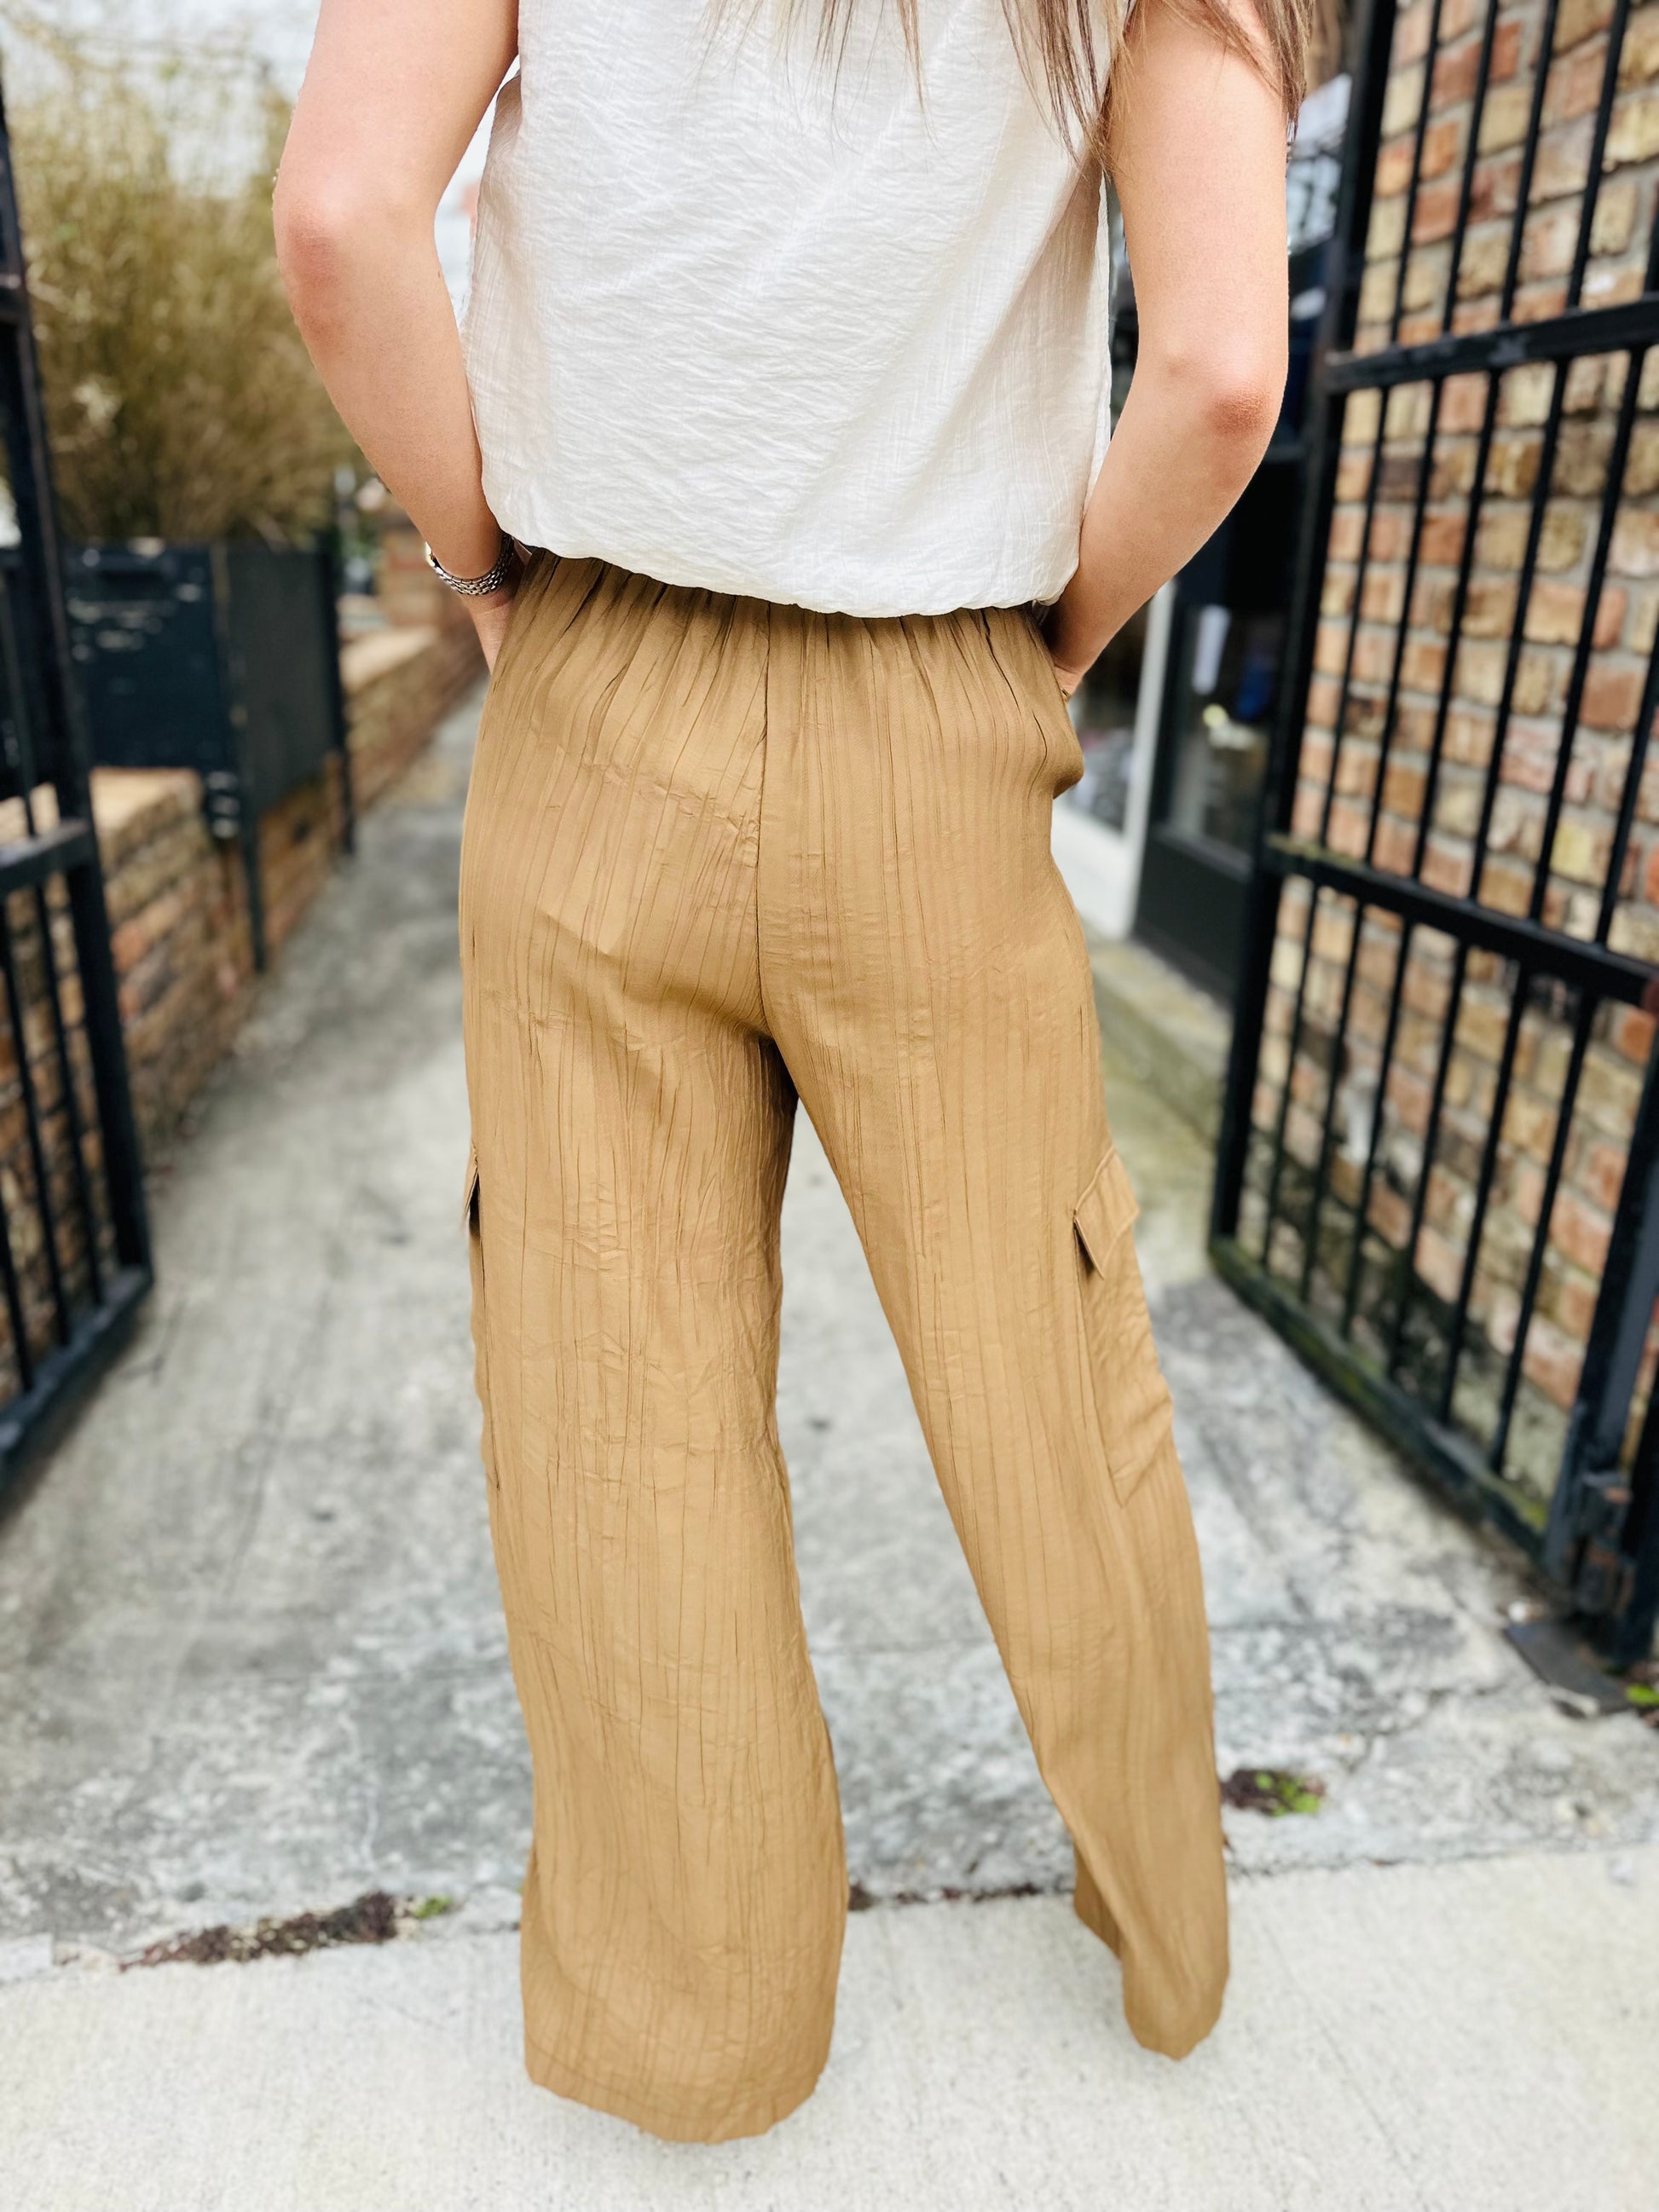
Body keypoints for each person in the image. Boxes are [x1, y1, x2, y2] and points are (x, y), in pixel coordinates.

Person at [277, 0, 1307, 2146]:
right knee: (1049, 1361)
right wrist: (1045, 645)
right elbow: (1218, 373)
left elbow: (347, 217)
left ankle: (702, 2025)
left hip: (597, 696)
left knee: (617, 1399)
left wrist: (483, 576)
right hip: (937, 705)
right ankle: (1167, 1934)